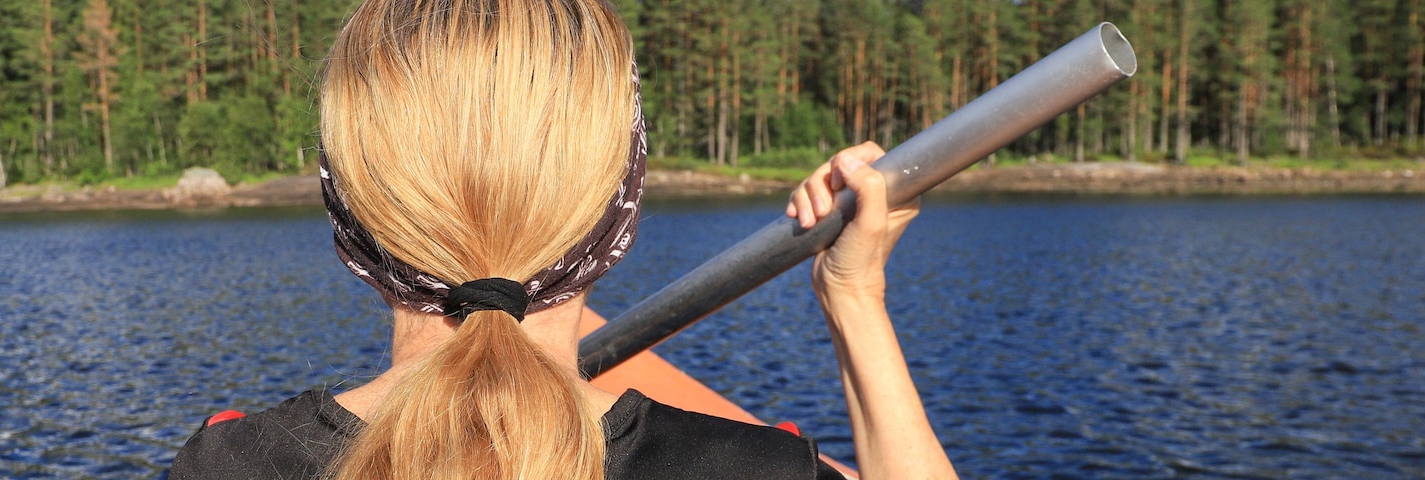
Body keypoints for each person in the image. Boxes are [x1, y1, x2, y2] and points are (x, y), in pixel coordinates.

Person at [170, 0, 956, 478]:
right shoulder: (756, 471)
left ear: (348, 212)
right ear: (619, 207)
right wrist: (855, 296)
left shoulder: (227, 466)